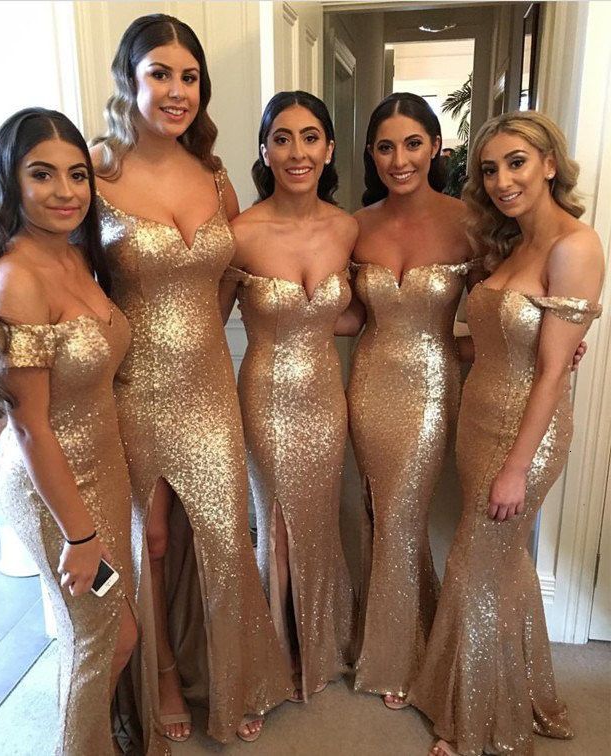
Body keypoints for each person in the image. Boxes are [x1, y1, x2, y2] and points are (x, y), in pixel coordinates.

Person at [92, 14, 291, 743]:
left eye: (190, 77)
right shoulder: (94, 171)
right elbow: (58, 278)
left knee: (224, 533)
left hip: (208, 387)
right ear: (129, 78)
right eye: (160, 74)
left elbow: (236, 274)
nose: (177, 91)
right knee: (149, 540)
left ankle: (234, 675)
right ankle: (165, 675)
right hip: (129, 388)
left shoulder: (215, 175)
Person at [0, 108, 167, 756]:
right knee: (102, 639)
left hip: (103, 474)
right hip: (56, 493)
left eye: (77, 175)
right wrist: (81, 537)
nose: (65, 191)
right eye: (42, 174)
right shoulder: (16, 278)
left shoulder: (78, 257)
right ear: (10, 180)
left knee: (116, 632)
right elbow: (30, 425)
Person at [408, 110, 604, 756]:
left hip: (526, 435)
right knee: (503, 563)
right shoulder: (513, 244)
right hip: (479, 419)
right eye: (490, 169)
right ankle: (527, 691)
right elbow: (492, 344)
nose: (502, 181)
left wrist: (518, 467)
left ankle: (469, 724)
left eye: (516, 162)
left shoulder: (576, 246)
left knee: (473, 564)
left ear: (549, 163)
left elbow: (550, 373)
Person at [343, 93, 482, 710]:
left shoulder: (469, 222)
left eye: (412, 144)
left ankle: (398, 658)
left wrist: (547, 342)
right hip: (370, 380)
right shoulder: (357, 225)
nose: (399, 160)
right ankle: (403, 634)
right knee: (380, 509)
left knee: (402, 511)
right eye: (385, 147)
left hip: (431, 385)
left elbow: (497, 307)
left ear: (435, 148)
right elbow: (348, 314)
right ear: (371, 156)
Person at [220, 91, 358, 702]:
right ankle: (269, 666)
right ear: (265, 149)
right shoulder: (241, 233)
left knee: (319, 520)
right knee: (273, 526)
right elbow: (204, 323)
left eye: (309, 137)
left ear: (329, 149)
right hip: (267, 398)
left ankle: (319, 646)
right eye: (282, 138)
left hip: (326, 399)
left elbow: (368, 311)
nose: (297, 152)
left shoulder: (348, 228)